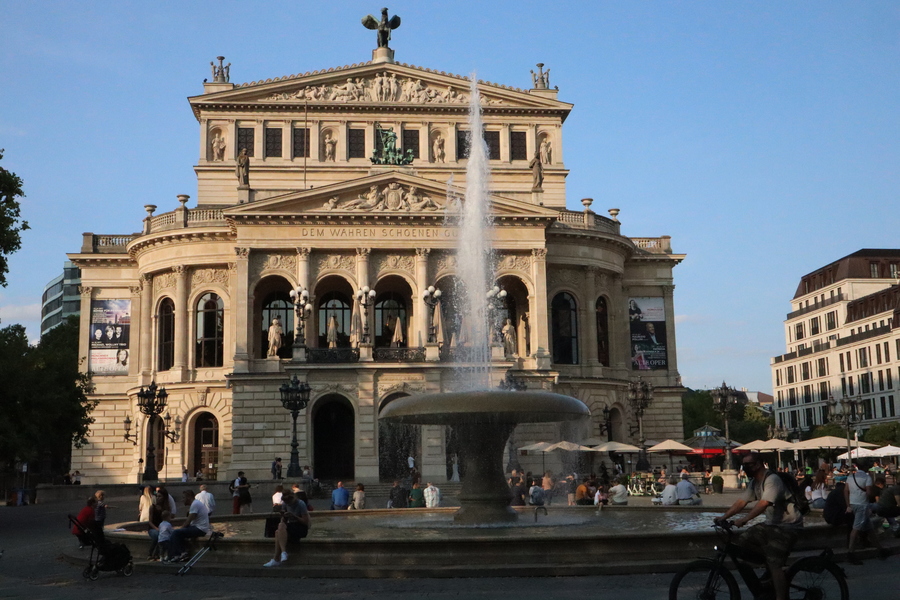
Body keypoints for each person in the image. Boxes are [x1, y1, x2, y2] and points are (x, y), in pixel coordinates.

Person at [715, 452, 803, 600]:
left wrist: (745, 519)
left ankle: (779, 591)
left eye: (748, 465)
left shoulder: (772, 480)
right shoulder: (755, 482)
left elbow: (764, 503)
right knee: (742, 542)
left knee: (775, 563)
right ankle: (769, 577)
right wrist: (724, 517)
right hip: (771, 525)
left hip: (787, 526)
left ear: (758, 464)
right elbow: (741, 502)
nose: (745, 468)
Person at [845, 464, 888, 564]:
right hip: (862, 505)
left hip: (853, 504)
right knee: (856, 528)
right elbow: (869, 493)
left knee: (870, 528)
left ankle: (880, 550)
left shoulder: (850, 477)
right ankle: (850, 553)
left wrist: (848, 505)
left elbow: (845, 491)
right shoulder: (867, 478)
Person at [263, 493, 310, 567]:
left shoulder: (301, 504)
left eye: (289, 502)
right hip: (291, 526)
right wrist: (283, 516)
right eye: (286, 502)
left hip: (300, 528)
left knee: (278, 532)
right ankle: (283, 553)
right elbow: (283, 522)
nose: (288, 504)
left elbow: (306, 522)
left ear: (292, 499)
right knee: (279, 528)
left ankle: (277, 558)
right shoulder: (285, 504)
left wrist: (294, 516)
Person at [168, 490, 211, 563]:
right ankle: (182, 552)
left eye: (184, 497)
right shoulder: (196, 503)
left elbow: (188, 521)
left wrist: (180, 529)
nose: (182, 500)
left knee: (176, 533)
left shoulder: (195, 504)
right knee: (178, 533)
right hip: (200, 528)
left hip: (199, 529)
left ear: (189, 497)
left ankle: (177, 555)